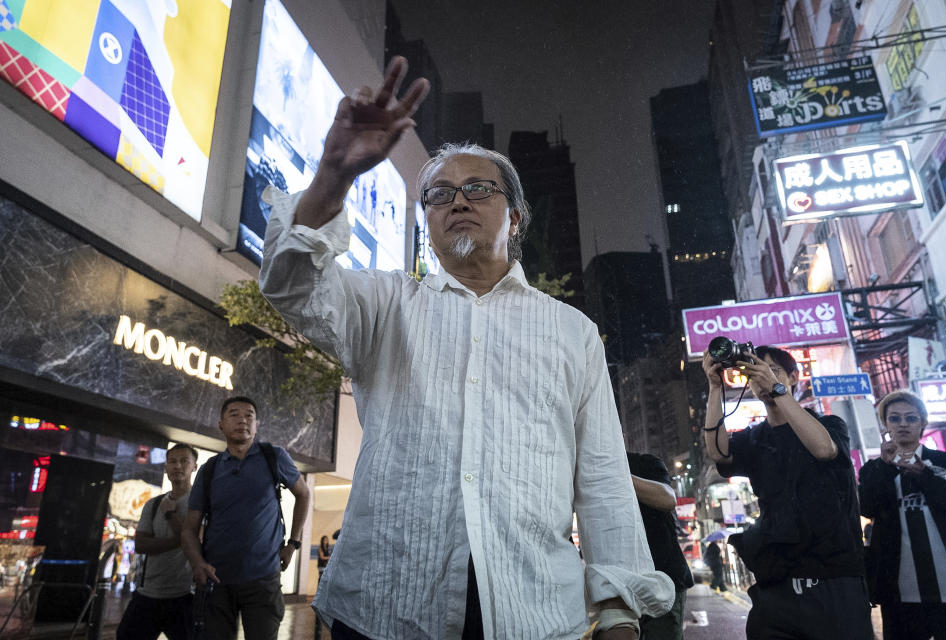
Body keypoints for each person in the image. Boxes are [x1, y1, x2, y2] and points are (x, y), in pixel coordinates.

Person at [258, 56, 674, 639]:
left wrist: (617, 614)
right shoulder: (384, 304)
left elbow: (601, 478)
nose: (458, 200)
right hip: (383, 611)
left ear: (517, 216)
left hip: (534, 614)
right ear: (426, 219)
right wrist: (333, 174)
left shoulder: (571, 331)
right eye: (440, 193)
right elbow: (290, 285)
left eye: (479, 189)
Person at [702, 345, 872, 639]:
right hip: (777, 581)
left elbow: (823, 449)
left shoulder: (828, 424)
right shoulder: (753, 439)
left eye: (771, 371)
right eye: (753, 373)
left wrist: (778, 390)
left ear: (794, 377)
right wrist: (715, 386)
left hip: (834, 577)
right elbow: (718, 452)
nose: (761, 378)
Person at [181, 396, 313, 640]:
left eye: (249, 415)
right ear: (221, 424)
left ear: (257, 424)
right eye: (234, 414)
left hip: (264, 579)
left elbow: (304, 494)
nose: (242, 419)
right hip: (217, 580)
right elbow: (189, 529)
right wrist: (197, 563)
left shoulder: (273, 457)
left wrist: (293, 544)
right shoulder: (210, 469)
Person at [858, 389, 946, 640]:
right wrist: (884, 465)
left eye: (911, 418)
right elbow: (867, 508)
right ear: (885, 425)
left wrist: (926, 477)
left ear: (923, 422)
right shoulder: (874, 468)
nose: (903, 424)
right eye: (894, 418)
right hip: (899, 592)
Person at [116, 443, 198, 640]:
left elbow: (197, 542)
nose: (178, 466)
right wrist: (181, 539)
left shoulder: (201, 504)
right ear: (165, 467)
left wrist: (170, 514)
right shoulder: (153, 505)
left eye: (184, 461)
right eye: (172, 462)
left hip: (185, 596)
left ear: (194, 466)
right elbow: (141, 545)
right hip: (148, 594)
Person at [626, 452, 694, 640]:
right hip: (621, 584)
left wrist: (618, 473)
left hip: (663, 578)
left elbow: (667, 499)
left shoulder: (645, 463)